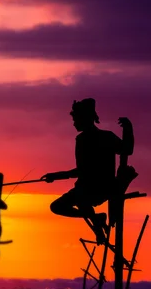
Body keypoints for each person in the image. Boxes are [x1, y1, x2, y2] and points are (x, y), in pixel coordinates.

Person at [41, 99, 136, 243]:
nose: (74, 123)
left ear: (85, 118)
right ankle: (97, 218)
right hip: (84, 188)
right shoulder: (82, 139)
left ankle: (97, 226)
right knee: (57, 206)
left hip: (102, 187)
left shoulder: (105, 137)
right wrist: (56, 176)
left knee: (81, 199)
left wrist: (128, 128)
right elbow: (82, 170)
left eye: (76, 119)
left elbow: (127, 150)